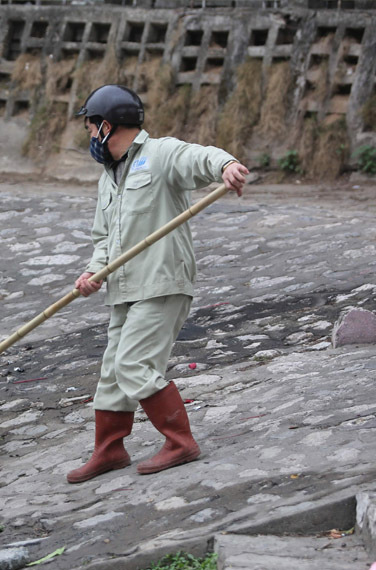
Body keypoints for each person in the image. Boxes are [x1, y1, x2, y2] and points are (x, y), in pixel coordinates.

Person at [66, 84, 249, 484]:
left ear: (106, 126)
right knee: (113, 370)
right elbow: (104, 240)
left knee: (134, 364)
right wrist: (93, 273)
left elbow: (200, 157)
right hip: (124, 288)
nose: (88, 135)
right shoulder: (107, 178)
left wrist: (226, 166)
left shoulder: (160, 154)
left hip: (162, 282)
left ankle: (180, 442)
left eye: (89, 126)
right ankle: (109, 450)